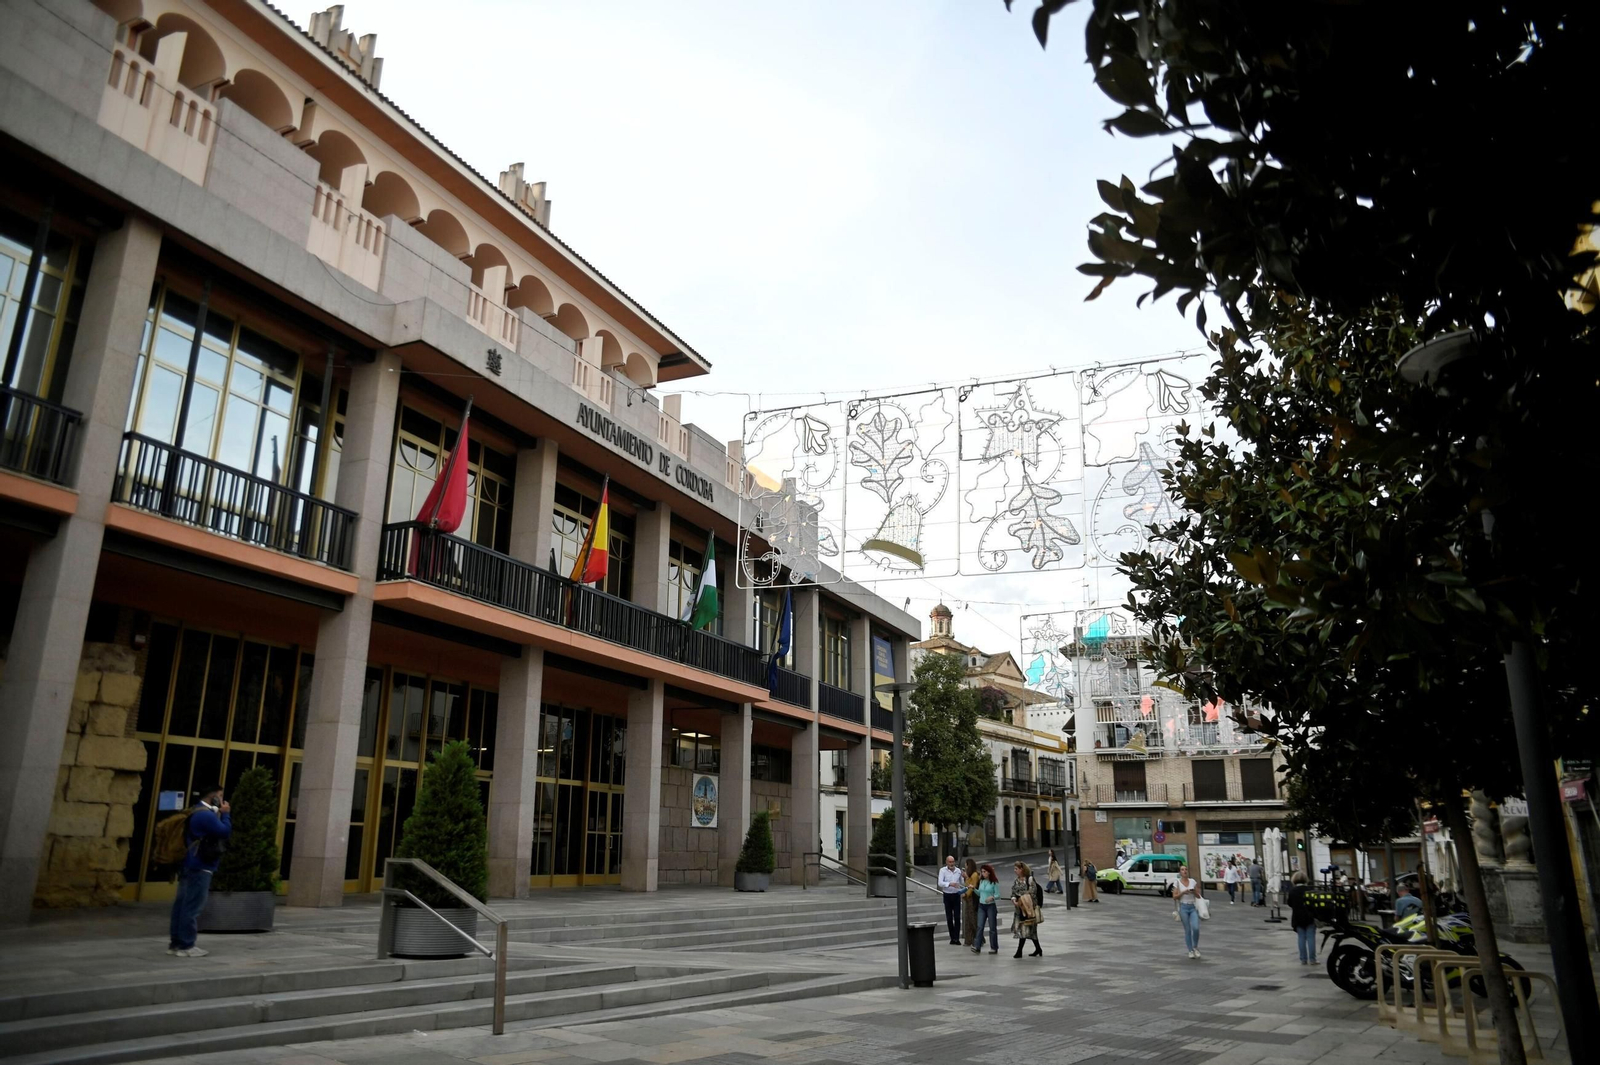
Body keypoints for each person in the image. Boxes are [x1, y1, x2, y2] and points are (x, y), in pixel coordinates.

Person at [169, 784, 231, 958]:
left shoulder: (196, 811)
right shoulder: (205, 815)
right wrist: (226, 814)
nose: (222, 799)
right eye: (220, 795)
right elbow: (224, 832)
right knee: (192, 906)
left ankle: (176, 943)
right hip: (200, 865)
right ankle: (186, 945)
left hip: (190, 864)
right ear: (213, 797)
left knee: (182, 905)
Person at [1010, 861, 1043, 958]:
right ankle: (1038, 949)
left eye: (1016, 869)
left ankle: (1019, 951)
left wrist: (1022, 899)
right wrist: (1014, 899)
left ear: (1022, 869)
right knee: (1029, 931)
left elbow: (1032, 893)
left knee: (1025, 930)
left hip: (1029, 909)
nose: (1015, 870)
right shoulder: (1016, 881)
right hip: (1019, 909)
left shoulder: (1029, 879)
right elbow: (1013, 892)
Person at [1172, 863, 1203, 959]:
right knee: (1188, 930)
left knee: (1196, 928)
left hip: (1192, 907)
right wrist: (1183, 892)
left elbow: (1199, 896)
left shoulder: (1192, 881)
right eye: (1182, 870)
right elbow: (1174, 897)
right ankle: (1190, 950)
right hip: (1183, 907)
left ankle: (1195, 947)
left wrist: (1193, 891)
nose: (1184, 871)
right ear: (1180, 872)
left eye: (1186, 869)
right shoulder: (1177, 882)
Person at [1286, 870, 1317, 964]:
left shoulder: (1292, 891)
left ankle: (1303, 959)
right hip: (1309, 916)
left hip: (1297, 917)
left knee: (1301, 938)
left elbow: (1290, 903)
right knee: (1311, 938)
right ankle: (1312, 959)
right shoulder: (1309, 890)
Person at [972, 864, 1001, 953]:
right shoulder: (982, 881)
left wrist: (992, 897)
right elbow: (980, 893)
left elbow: (998, 895)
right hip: (982, 905)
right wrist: (974, 889)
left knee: (992, 927)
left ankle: (994, 947)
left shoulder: (994, 882)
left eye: (984, 872)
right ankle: (977, 946)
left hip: (990, 906)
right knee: (980, 926)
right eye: (982, 872)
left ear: (989, 872)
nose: (983, 873)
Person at [938, 855, 965, 945]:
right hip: (947, 895)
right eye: (950, 862)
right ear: (946, 862)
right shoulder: (943, 870)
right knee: (949, 917)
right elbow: (940, 883)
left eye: (953, 862)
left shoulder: (958, 871)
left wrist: (964, 877)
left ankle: (956, 938)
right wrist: (949, 884)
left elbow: (962, 882)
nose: (951, 864)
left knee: (957, 917)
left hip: (956, 895)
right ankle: (952, 937)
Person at [961, 858, 979, 947]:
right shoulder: (969, 875)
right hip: (967, 899)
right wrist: (966, 878)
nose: (965, 867)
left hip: (972, 898)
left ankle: (978, 938)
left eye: (966, 865)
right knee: (967, 919)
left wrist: (966, 894)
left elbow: (972, 887)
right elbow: (966, 885)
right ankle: (968, 940)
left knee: (972, 919)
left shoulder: (975, 875)